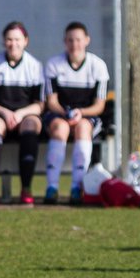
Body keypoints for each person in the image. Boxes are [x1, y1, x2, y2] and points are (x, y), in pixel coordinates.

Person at [0, 21, 45, 205]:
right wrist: (6, 113)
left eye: (17, 39)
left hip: (25, 116)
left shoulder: (35, 66)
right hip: (0, 114)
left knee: (32, 124)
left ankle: (26, 188)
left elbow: (39, 105)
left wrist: (20, 114)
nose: (13, 43)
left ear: (25, 41)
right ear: (3, 41)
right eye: (9, 39)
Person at [42, 21, 110, 205]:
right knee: (60, 129)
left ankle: (77, 187)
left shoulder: (98, 66)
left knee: (83, 128)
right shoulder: (54, 65)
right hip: (60, 114)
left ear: (87, 40)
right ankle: (52, 187)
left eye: (78, 40)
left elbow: (99, 106)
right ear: (65, 41)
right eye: (70, 40)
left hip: (87, 116)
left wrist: (81, 112)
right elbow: (52, 102)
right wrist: (66, 113)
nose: (74, 44)